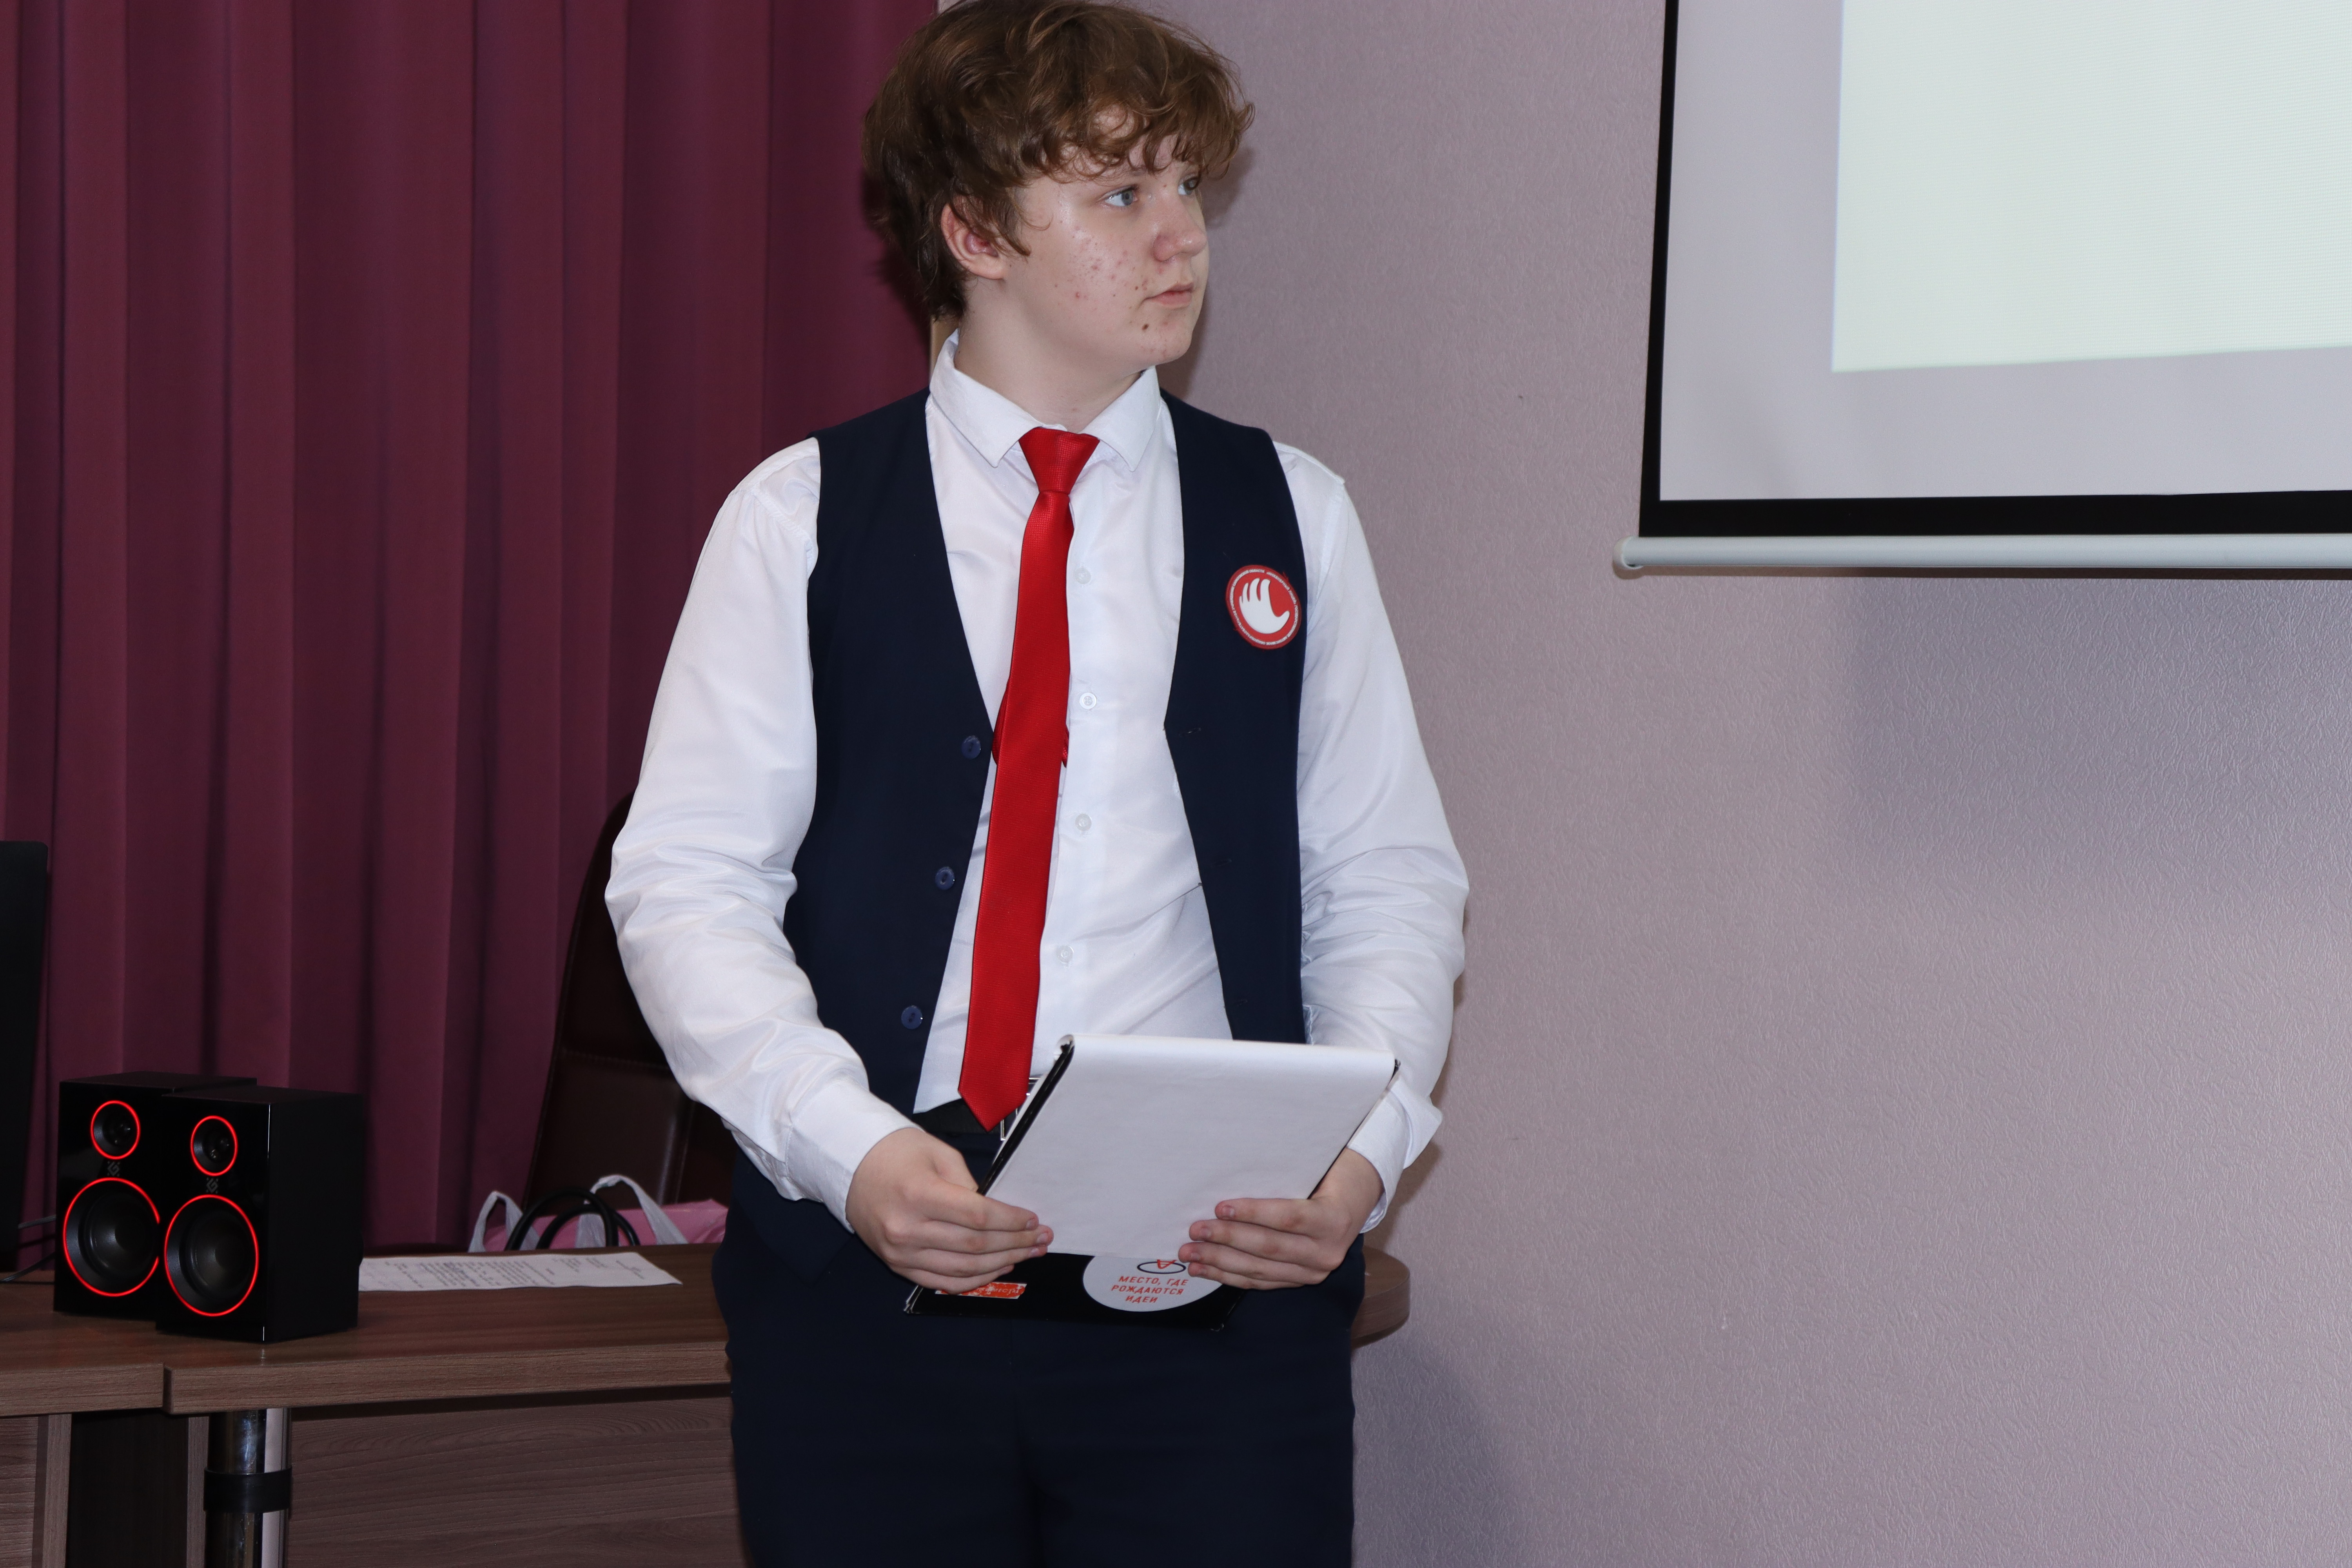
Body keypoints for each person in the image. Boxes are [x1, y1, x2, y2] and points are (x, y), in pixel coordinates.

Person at [606, 2, 1466, 1563]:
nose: (1180, 235)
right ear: (974, 232)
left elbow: (1385, 875)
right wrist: (851, 1149)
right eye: (1119, 194)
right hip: (873, 1307)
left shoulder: (1295, 514)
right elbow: (688, 884)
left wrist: (1362, 1149)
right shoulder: (798, 518)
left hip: (1214, 1306)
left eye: (1187, 186)